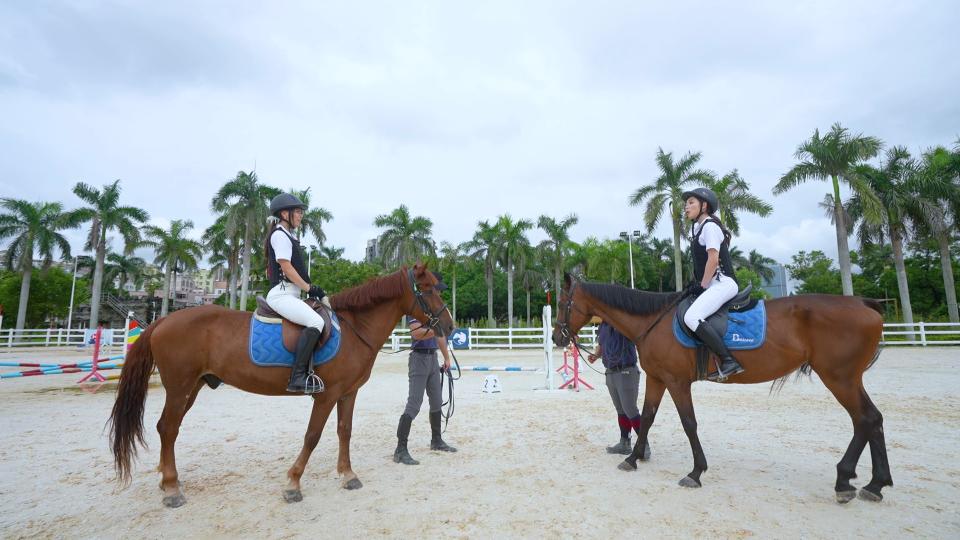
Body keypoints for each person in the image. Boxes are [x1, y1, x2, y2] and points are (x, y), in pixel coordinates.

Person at [264, 193, 330, 394]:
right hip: (281, 294)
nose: (301, 216)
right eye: (298, 212)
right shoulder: (279, 235)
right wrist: (309, 288)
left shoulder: (289, 235)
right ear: (285, 213)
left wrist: (312, 289)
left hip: (291, 294)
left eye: (301, 212)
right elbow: (287, 268)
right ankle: (298, 376)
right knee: (316, 322)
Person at [680, 187, 745, 382]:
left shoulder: (709, 226)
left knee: (692, 317)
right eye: (686, 203)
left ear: (704, 206)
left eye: (691, 202)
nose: (686, 206)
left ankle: (728, 360)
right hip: (714, 284)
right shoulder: (700, 228)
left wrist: (703, 285)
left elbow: (713, 259)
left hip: (723, 283)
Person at [393, 272, 457, 465]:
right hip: (419, 359)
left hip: (432, 359)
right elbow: (416, 332)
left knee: (437, 400)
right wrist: (434, 329)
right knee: (414, 403)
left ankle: (436, 440)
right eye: (437, 289)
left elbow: (440, 338)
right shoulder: (418, 310)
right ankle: (400, 448)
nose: (439, 293)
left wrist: (446, 358)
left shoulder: (433, 312)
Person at [587, 321, 650, 458]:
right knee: (621, 410)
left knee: (630, 409)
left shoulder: (622, 322)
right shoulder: (603, 326)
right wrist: (596, 355)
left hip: (626, 370)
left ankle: (644, 445)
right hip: (610, 371)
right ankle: (624, 443)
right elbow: (602, 344)